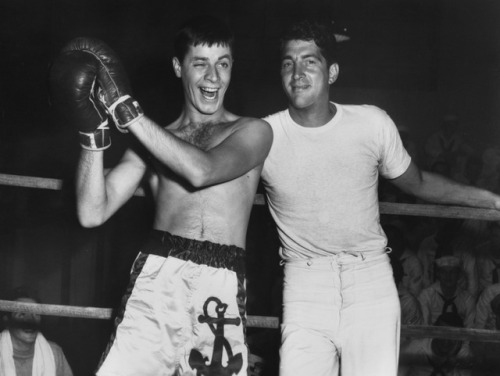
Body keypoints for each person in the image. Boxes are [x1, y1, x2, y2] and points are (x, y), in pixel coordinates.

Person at [259, 18, 500, 376]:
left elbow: (418, 182)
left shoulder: (371, 123)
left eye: (310, 61)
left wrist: (492, 200)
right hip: (304, 284)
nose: (297, 72)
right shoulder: (263, 135)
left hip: (368, 280)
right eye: (288, 63)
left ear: (333, 71)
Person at [49, 16, 272, 376]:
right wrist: (92, 133)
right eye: (200, 64)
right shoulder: (152, 139)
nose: (213, 78)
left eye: (223, 64)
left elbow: (202, 171)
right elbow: (92, 212)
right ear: (177, 67)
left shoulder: (253, 131)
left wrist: (126, 110)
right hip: (158, 278)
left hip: (221, 284)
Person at [0, 288, 74, 376]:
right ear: (7, 320)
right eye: (22, 314)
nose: (30, 320)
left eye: (35, 314)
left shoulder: (55, 353)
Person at [418, 256, 475, 328]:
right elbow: (424, 326)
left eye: (452, 272)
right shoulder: (426, 296)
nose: (448, 276)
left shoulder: (467, 300)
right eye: (444, 272)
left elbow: (470, 328)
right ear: (438, 274)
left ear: (459, 275)